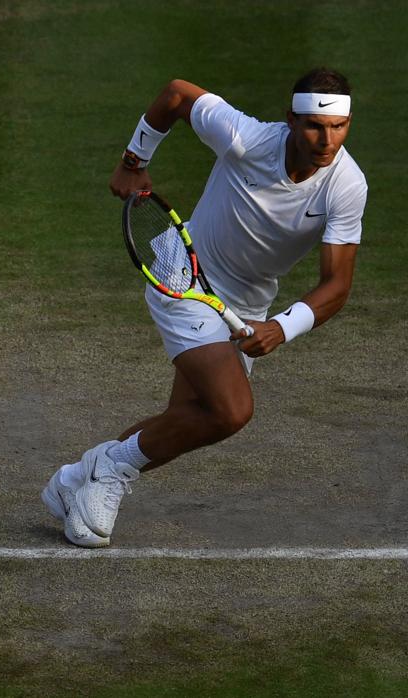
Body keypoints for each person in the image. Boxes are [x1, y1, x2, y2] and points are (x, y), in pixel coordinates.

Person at [41, 68, 368, 547]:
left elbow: (337, 285)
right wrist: (134, 160)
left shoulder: (347, 186)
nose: (326, 139)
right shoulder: (248, 138)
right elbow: (175, 95)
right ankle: (109, 469)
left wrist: (280, 326)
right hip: (185, 277)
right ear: (291, 121)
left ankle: (76, 479)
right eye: (315, 126)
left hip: (250, 299)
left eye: (338, 127)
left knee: (189, 419)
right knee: (231, 410)